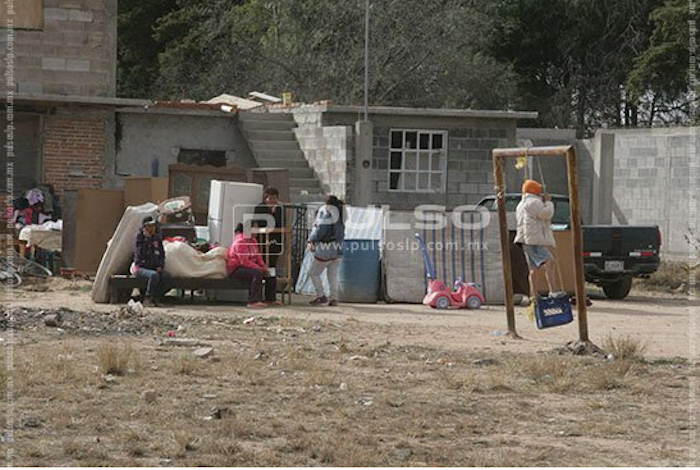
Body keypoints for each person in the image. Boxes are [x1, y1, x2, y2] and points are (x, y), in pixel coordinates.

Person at [514, 179, 566, 302]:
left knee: (533, 269)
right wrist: (548, 202)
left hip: (525, 240)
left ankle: (533, 295)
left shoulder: (521, 204)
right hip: (534, 240)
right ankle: (553, 291)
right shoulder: (534, 202)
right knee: (550, 262)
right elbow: (546, 214)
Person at [227, 223, 280, 308]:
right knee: (257, 273)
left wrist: (264, 267)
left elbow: (258, 257)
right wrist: (259, 268)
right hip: (237, 268)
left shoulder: (253, 240)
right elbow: (244, 261)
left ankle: (270, 299)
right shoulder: (240, 242)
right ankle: (253, 301)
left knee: (271, 272)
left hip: (250, 266)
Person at [307, 195, 345, 306]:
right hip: (337, 249)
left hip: (325, 249)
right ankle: (334, 298)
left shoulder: (327, 215)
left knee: (313, 273)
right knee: (332, 275)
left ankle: (321, 295)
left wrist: (311, 240)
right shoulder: (341, 216)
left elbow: (319, 230)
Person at [131, 216, 168, 307]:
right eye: (150, 226)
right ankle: (148, 298)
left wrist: (160, 265)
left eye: (153, 226)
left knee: (167, 276)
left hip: (154, 267)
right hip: (141, 268)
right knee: (153, 275)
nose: (152, 228)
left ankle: (157, 297)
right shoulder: (140, 238)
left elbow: (161, 254)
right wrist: (147, 240)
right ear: (145, 227)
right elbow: (140, 254)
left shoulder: (157, 238)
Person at [252, 187, 284, 270]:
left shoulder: (279, 209)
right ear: (265, 198)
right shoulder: (260, 208)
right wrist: (270, 213)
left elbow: (280, 224)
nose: (272, 201)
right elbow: (261, 223)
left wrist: (274, 213)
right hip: (262, 241)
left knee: (272, 264)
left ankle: (271, 281)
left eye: (274, 198)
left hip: (275, 241)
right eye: (270, 198)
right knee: (261, 262)